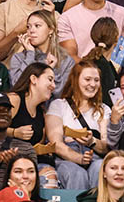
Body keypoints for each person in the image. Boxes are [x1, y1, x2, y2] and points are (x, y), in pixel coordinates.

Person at [43, 60, 110, 189]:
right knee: (76, 173)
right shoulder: (59, 105)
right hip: (66, 158)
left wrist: (92, 142)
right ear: (75, 80)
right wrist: (79, 158)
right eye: (87, 79)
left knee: (101, 168)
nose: (92, 84)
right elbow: (56, 144)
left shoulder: (104, 109)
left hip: (94, 157)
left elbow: (107, 146)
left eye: (96, 80)